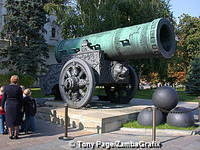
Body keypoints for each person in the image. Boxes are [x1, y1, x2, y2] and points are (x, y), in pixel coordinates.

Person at [1, 75, 23, 139]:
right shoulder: (19, 88)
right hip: (17, 105)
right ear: (17, 80)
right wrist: (22, 106)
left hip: (9, 105)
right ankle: (16, 135)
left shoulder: (6, 87)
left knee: (9, 120)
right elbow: (21, 99)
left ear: (11, 80)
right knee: (17, 120)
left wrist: (2, 106)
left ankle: (10, 135)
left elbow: (3, 98)